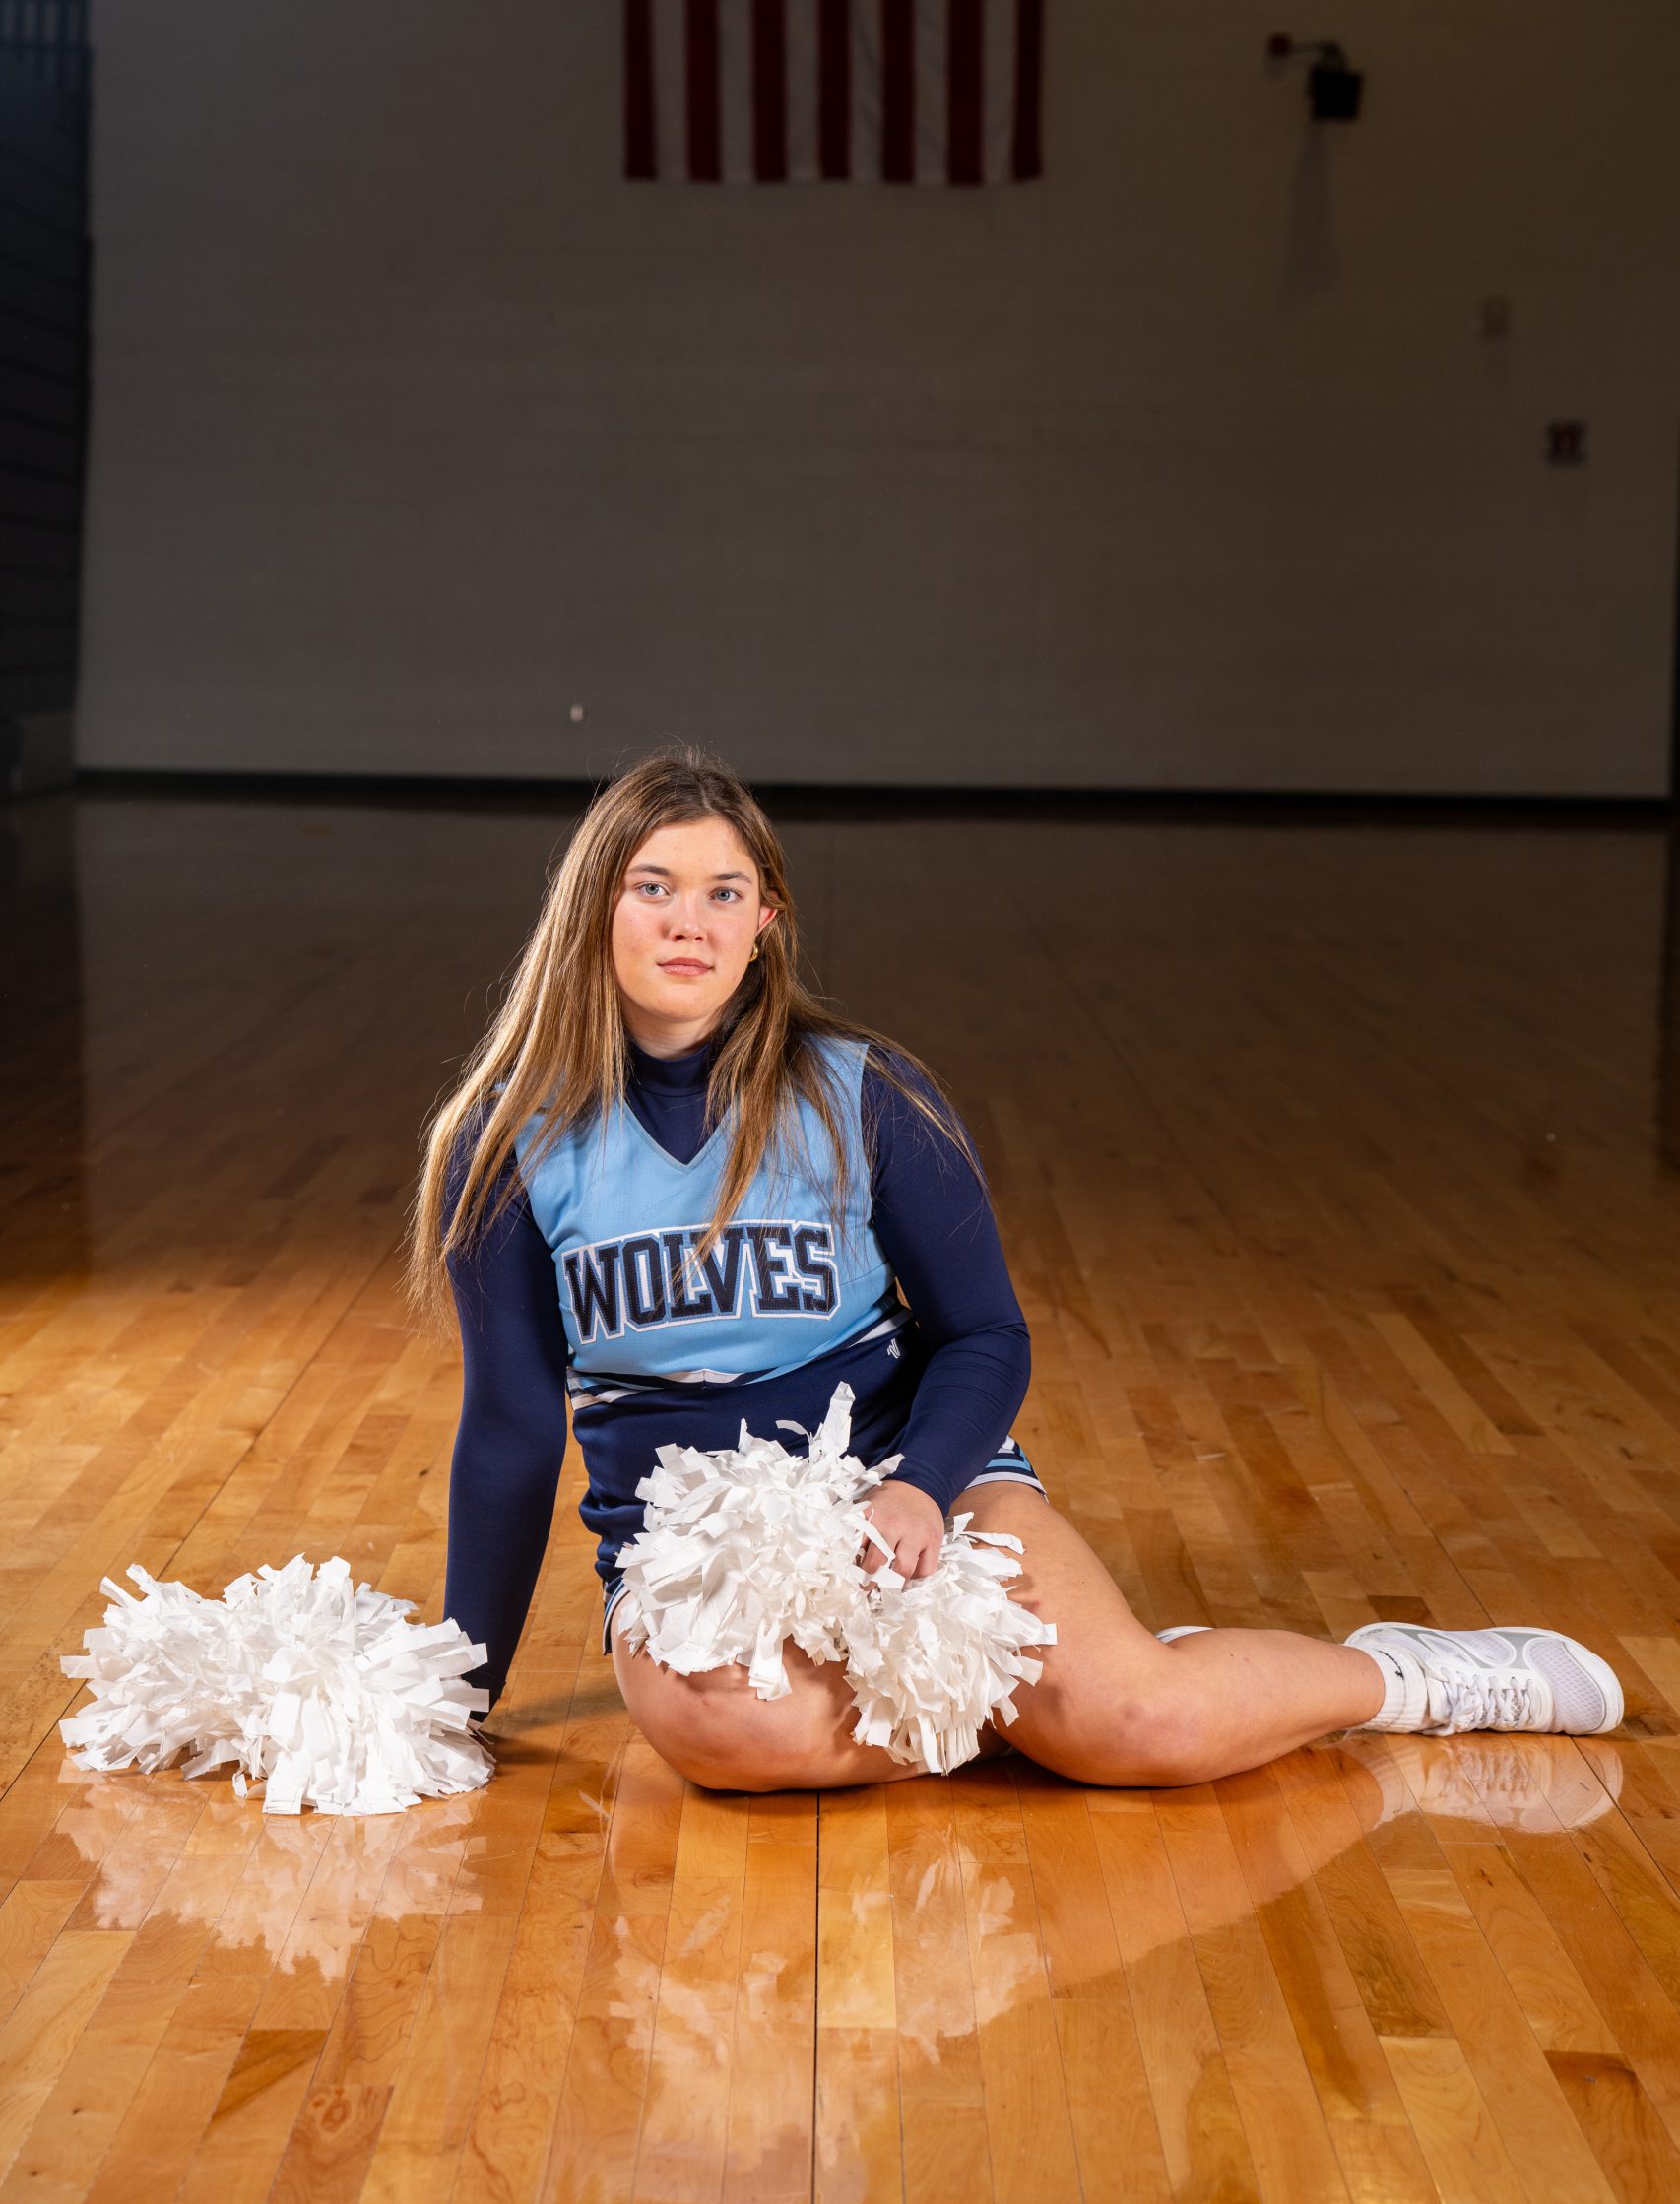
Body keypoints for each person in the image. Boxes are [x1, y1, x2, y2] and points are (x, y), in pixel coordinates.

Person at [405, 747, 1624, 1793]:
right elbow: (511, 1429)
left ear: (765, 920)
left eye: (724, 891)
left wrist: (918, 1488)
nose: (690, 922)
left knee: (1143, 1726)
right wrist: (460, 1692)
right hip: (692, 1548)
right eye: (653, 887)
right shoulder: (507, 1143)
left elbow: (983, 1334)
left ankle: (1401, 1677)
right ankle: (1046, 1697)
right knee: (728, 1738)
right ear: (593, 910)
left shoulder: (864, 1094)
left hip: (902, 1482)